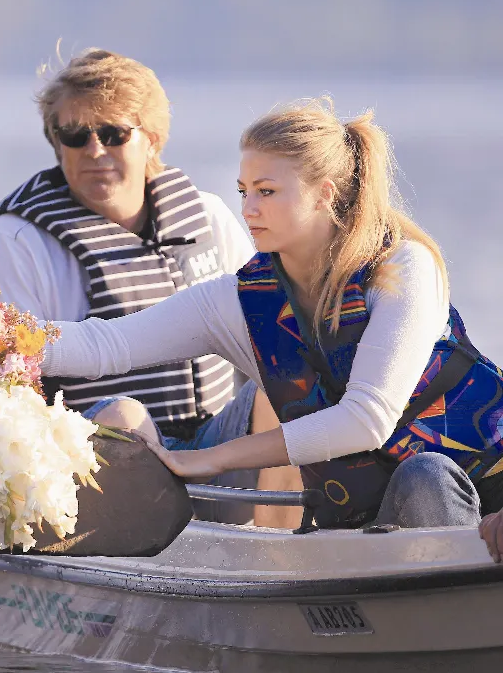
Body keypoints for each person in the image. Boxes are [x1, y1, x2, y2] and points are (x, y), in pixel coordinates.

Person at [32, 98, 503, 529]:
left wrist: (212, 459)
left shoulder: (403, 267)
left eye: (267, 191)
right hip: (372, 513)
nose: (248, 210)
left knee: (424, 475)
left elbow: (366, 420)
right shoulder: (239, 299)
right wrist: (0, 340)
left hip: (483, 491)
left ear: (324, 193)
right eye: (243, 191)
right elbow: (107, 345)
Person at [0, 49, 257, 442]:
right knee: (127, 415)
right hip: (98, 456)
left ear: (151, 139)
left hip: (218, 442)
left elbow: (263, 336)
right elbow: (8, 393)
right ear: (56, 142)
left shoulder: (208, 217)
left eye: (113, 133)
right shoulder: (17, 241)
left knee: (283, 391)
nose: (95, 150)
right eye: (75, 135)